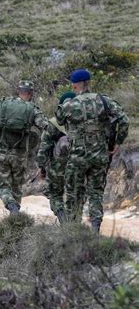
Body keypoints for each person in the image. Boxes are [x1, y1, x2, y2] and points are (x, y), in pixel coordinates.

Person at [55, 69, 129, 232]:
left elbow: (59, 119)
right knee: (96, 193)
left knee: (74, 194)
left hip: (77, 157)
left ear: (75, 85)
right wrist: (118, 142)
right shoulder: (104, 101)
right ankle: (95, 229)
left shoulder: (70, 104)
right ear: (89, 83)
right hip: (100, 155)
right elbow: (124, 120)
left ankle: (74, 230)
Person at [0, 81, 48, 214]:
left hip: (2, 153)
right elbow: (45, 126)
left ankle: (11, 205)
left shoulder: (4, 104)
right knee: (17, 186)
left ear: (18, 91)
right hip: (20, 155)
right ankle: (15, 215)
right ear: (30, 93)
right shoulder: (32, 109)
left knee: (3, 186)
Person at [37, 92, 76, 224]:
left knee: (55, 193)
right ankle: (75, 223)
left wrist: (42, 168)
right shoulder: (85, 120)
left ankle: (63, 220)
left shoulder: (54, 123)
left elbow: (44, 147)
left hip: (58, 165)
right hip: (80, 162)